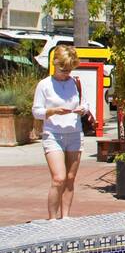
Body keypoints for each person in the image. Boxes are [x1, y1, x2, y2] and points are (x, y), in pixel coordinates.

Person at [31, 44, 93, 220]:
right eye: (63, 69)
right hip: (53, 134)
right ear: (54, 63)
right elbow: (36, 111)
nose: (66, 73)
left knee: (70, 177)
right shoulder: (44, 85)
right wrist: (52, 111)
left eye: (69, 69)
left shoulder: (75, 83)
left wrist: (83, 109)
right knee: (59, 178)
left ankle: (65, 217)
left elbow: (85, 103)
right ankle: (52, 218)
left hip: (74, 132)